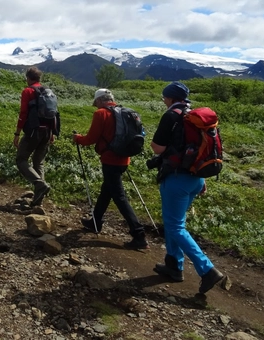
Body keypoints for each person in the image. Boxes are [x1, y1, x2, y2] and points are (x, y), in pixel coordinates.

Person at [150, 81, 224, 294]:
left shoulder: (172, 116)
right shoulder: (196, 117)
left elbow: (157, 148)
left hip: (176, 180)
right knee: (175, 222)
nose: (163, 100)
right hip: (196, 178)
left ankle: (207, 270)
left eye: (164, 97)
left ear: (171, 98)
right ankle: (174, 266)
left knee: (175, 227)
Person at [73, 89, 149, 249]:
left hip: (110, 159)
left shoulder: (101, 114)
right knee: (107, 191)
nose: (96, 107)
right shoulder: (126, 112)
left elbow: (91, 139)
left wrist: (78, 139)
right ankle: (95, 222)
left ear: (100, 101)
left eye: (96, 104)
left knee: (119, 197)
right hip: (124, 158)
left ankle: (138, 234)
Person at [13, 66, 56, 206]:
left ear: (28, 78)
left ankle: (39, 185)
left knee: (21, 159)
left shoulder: (28, 91)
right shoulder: (48, 92)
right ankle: (39, 200)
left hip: (33, 132)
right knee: (39, 162)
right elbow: (54, 113)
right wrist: (52, 133)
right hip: (47, 131)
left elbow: (23, 114)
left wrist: (17, 133)